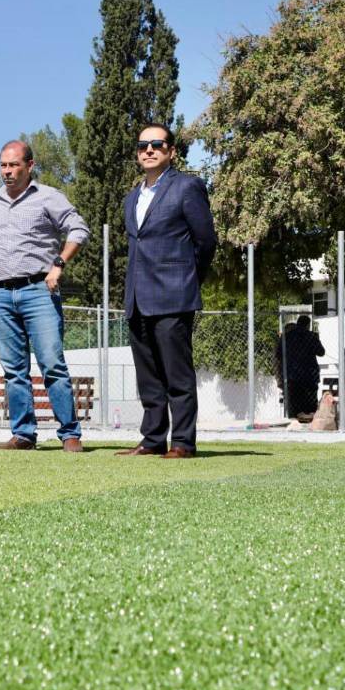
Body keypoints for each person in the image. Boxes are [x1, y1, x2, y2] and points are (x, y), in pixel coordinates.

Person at [0, 140, 89, 452]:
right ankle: (23, 434)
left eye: (14, 165)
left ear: (29, 165)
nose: (7, 171)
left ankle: (70, 434)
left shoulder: (48, 197)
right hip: (1, 295)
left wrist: (59, 264)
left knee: (52, 363)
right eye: (3, 165)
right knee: (13, 370)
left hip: (40, 291)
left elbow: (78, 229)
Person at [117, 124, 216, 459]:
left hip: (174, 295)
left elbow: (206, 241)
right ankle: (152, 440)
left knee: (177, 375)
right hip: (137, 298)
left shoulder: (187, 187)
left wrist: (188, 279)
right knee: (148, 378)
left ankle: (183, 442)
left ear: (171, 151)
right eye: (142, 145)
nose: (149, 150)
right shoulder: (132, 198)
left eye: (157, 144)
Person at [276, 314, 326, 420]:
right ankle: (310, 420)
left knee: (295, 404)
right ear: (308, 325)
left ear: (298, 323)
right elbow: (321, 352)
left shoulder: (286, 337)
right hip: (310, 375)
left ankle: (295, 421)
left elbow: (278, 354)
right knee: (310, 405)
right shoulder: (311, 336)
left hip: (293, 375)